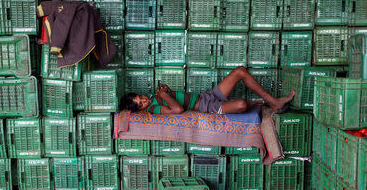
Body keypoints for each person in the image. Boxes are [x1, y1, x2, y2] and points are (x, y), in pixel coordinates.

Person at [120, 66, 295, 115]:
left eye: (141, 97)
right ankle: (263, 105)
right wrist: (164, 94)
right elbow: (178, 109)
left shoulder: (153, 96)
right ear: (141, 110)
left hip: (207, 96)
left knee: (240, 71)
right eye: (141, 103)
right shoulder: (153, 109)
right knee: (241, 104)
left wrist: (165, 89)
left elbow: (173, 96)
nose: (144, 100)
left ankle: (273, 102)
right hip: (206, 107)